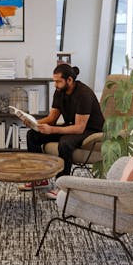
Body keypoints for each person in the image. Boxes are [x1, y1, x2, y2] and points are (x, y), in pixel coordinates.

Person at [25, 64, 105, 199]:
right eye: (54, 81)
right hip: (72, 126)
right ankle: (40, 179)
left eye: (58, 81)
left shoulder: (84, 94)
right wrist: (34, 123)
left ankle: (62, 186)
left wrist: (52, 130)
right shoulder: (59, 91)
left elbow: (79, 128)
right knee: (32, 135)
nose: (55, 85)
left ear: (69, 80)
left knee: (65, 142)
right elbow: (52, 119)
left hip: (90, 130)